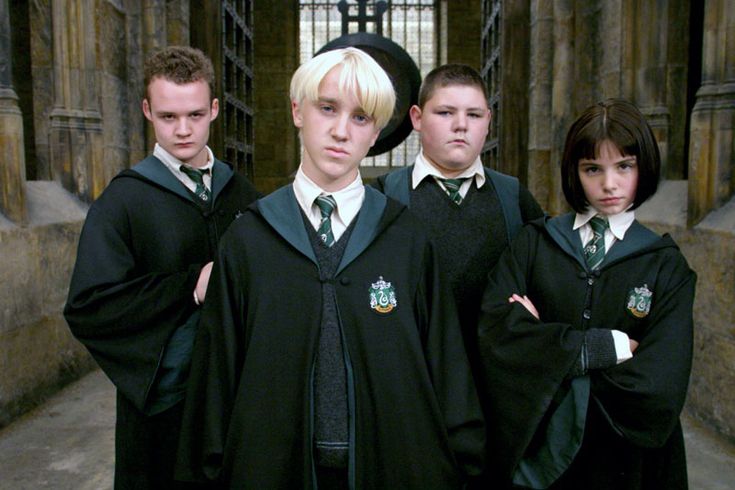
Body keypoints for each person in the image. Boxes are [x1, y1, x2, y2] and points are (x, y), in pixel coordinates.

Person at [176, 47, 485, 489]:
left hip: (392, 466)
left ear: (376, 133)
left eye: (360, 117)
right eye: (327, 108)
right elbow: (216, 378)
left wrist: (460, 466)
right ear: (297, 111)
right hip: (273, 469)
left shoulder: (406, 239)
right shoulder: (249, 241)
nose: (341, 131)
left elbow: (446, 365)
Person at [63, 46, 260, 489]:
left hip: (235, 399)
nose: (183, 130)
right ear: (147, 111)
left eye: (195, 115)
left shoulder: (242, 196)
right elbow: (89, 306)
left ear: (214, 110)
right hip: (164, 408)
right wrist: (191, 285)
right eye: (169, 117)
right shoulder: (123, 202)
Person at [477, 98, 696, 489]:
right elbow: (498, 333)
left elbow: (660, 381)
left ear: (643, 166)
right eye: (593, 168)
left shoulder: (664, 265)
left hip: (625, 459)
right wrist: (598, 350)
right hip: (542, 448)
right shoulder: (536, 244)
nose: (609, 184)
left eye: (624, 166)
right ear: (574, 171)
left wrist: (547, 351)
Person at [373, 64, 544, 375]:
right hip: (415, 376)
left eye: (474, 115)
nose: (461, 125)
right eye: (445, 113)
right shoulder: (383, 198)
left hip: (497, 378)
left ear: (488, 121)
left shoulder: (514, 198)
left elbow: (549, 276)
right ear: (417, 118)